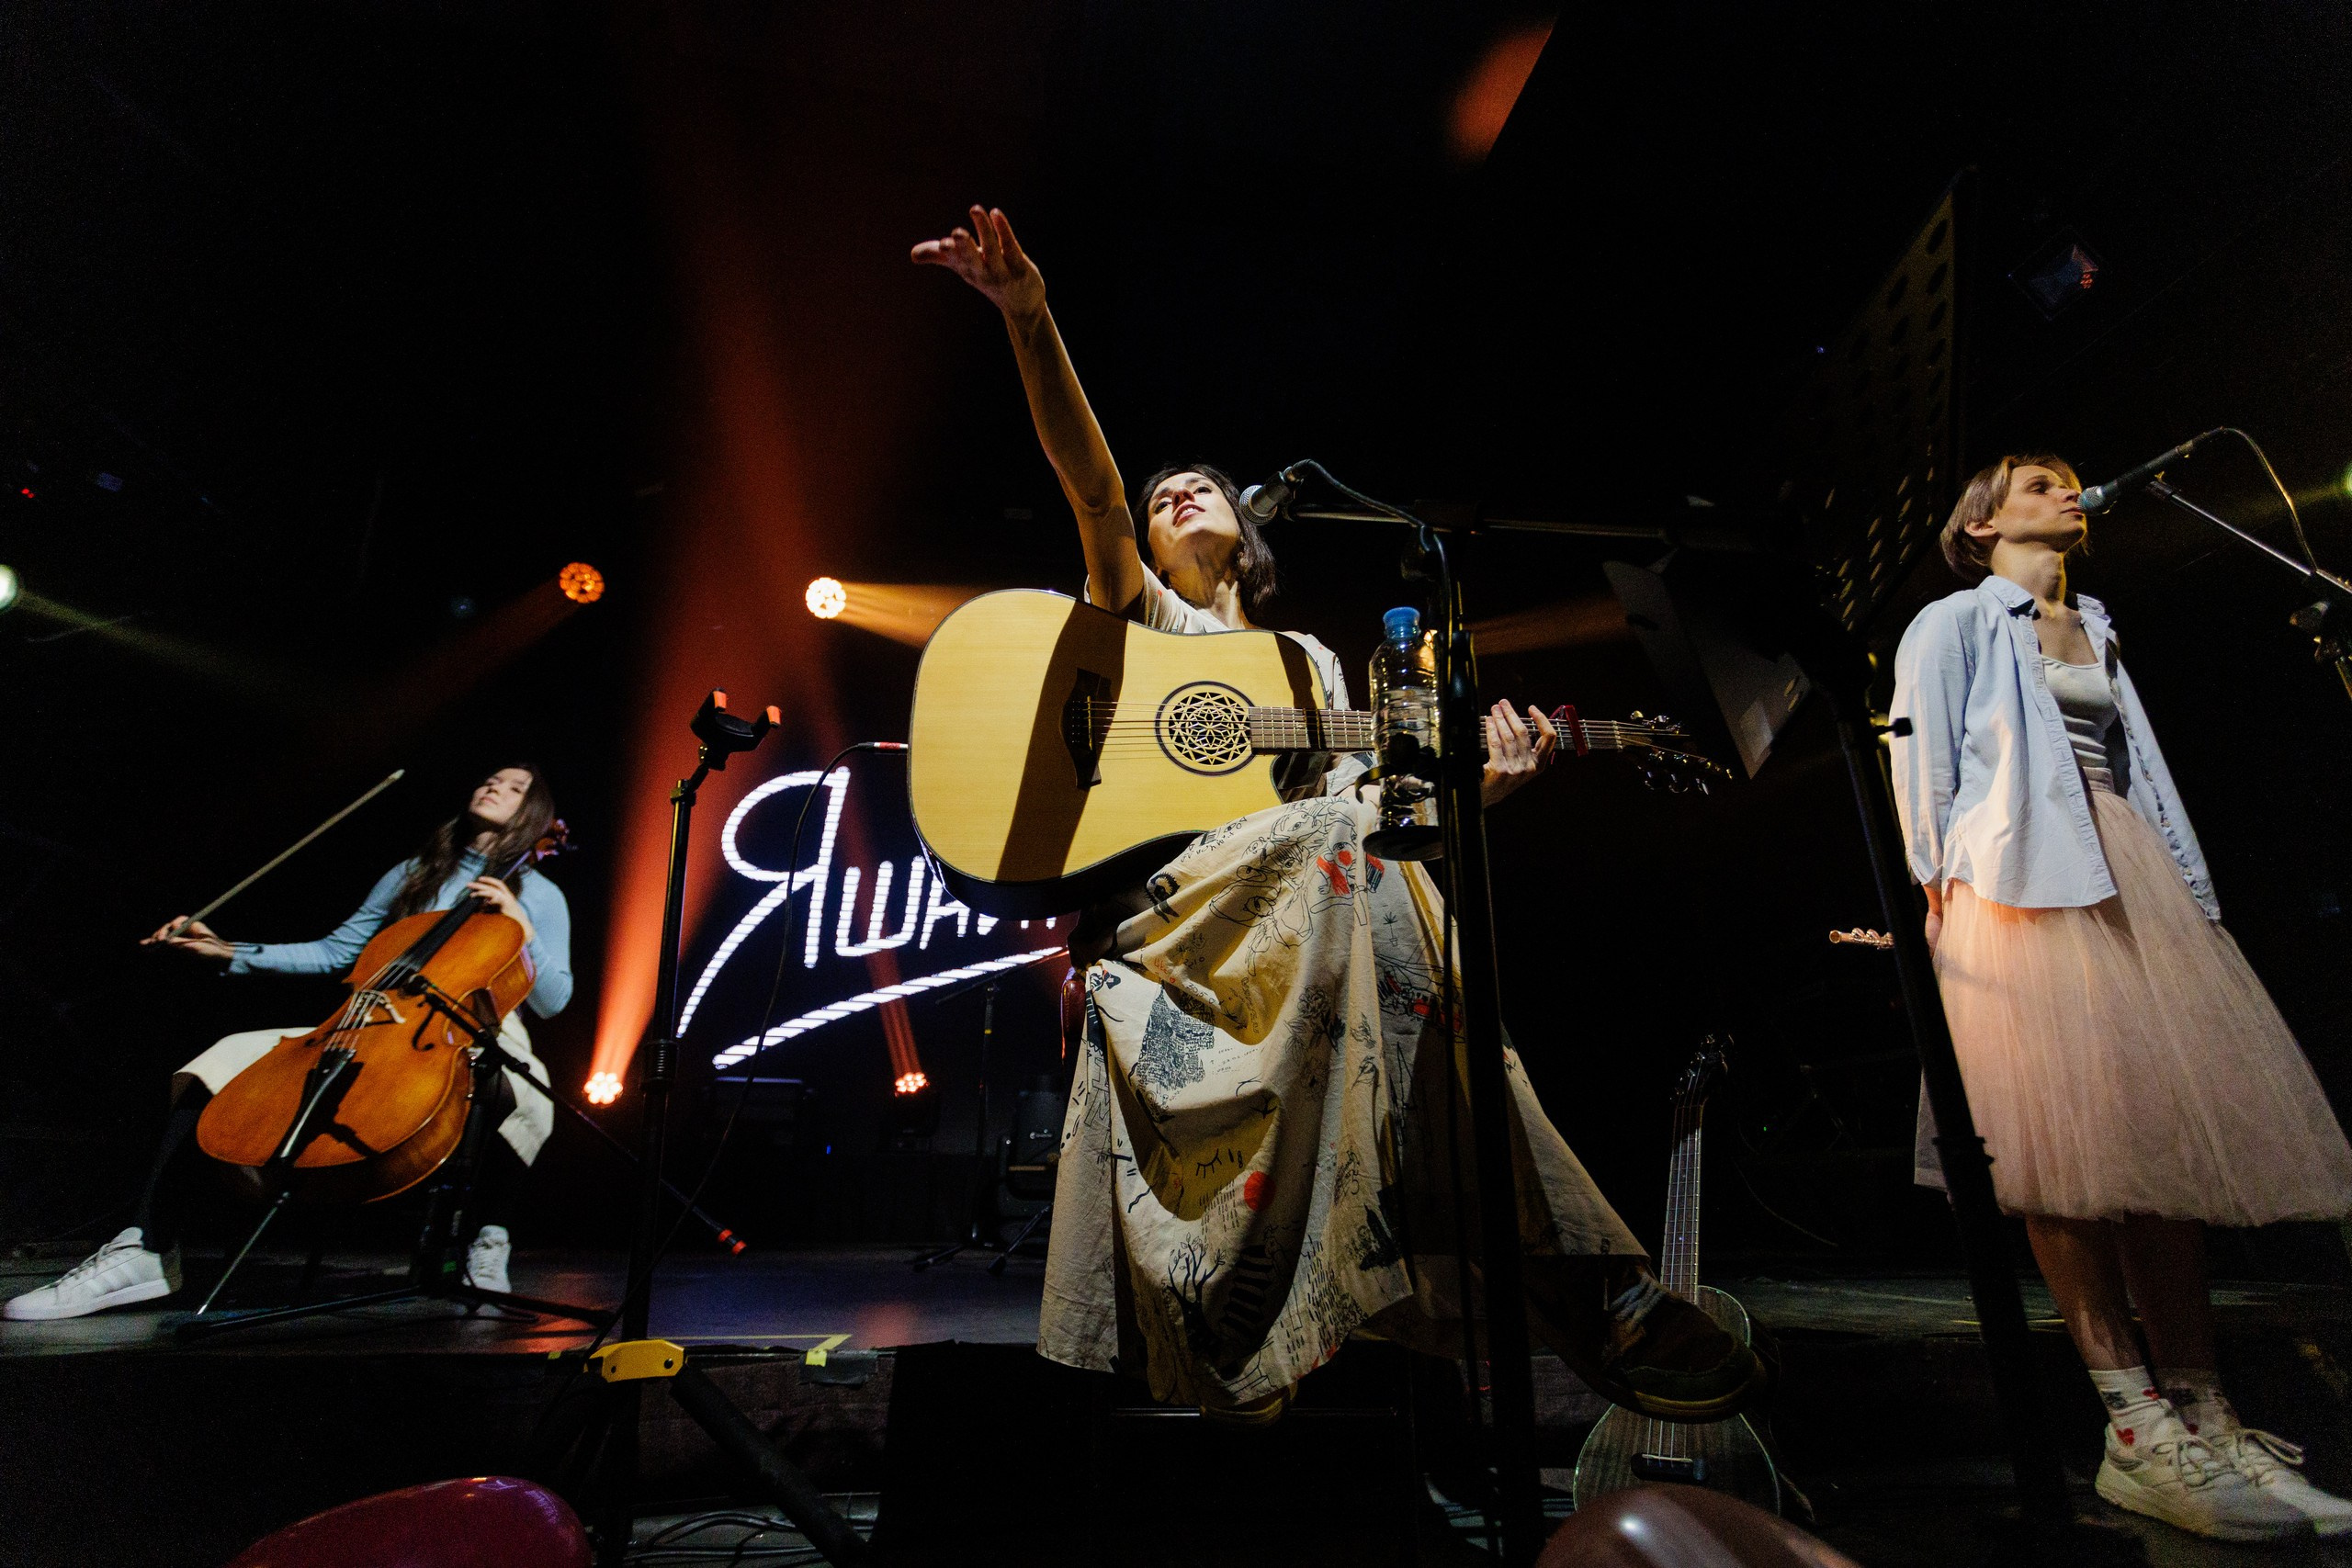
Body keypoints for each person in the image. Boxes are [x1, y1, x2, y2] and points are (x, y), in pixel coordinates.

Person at [913, 205, 1760, 1422]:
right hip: (1174, 909)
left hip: (1304, 887)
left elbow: (1377, 818)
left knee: (1377, 871)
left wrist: (1486, 787)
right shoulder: (1142, 619)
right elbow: (1090, 487)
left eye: (1203, 487)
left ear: (1249, 533)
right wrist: (1031, 317)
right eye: (1164, 495)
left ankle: (1568, 1270)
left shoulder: (1310, 665)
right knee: (1347, 853)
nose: (1180, 491)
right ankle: (1583, 1277)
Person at [1891, 456, 2352, 1540]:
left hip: (2123, 872)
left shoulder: (2094, 623)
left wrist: (2187, 894)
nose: (2068, 492)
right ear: (1981, 522)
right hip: (2017, 883)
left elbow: (2129, 768)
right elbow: (1919, 765)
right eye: (2038, 482)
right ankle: (2133, 1425)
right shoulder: (1953, 622)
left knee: (2159, 1150)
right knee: (2061, 1152)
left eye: (2069, 482)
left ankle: (2201, 1413)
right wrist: (1938, 888)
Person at [4, 766, 572, 1322]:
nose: (494, 785)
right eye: (491, 778)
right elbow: (336, 952)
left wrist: (521, 927)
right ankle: (145, 1248)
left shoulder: (540, 894)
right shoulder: (413, 874)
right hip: (367, 1018)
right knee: (222, 1060)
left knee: (525, 1090)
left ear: (536, 815)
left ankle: (488, 1236)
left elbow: (554, 999)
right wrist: (229, 951)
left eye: (516, 787)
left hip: (476, 1027)